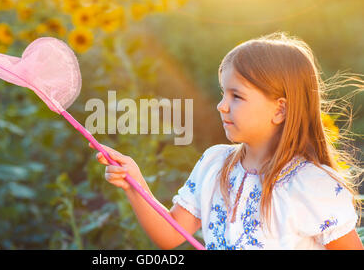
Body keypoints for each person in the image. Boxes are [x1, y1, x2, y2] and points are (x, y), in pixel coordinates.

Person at [90, 32, 363, 250]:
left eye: (237, 96)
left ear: (280, 109)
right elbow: (170, 235)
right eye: (223, 93)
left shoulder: (312, 183)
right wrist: (134, 184)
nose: (221, 106)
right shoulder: (215, 163)